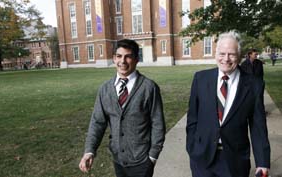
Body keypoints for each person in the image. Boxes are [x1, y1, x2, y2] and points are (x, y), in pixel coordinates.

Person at [186, 31, 270, 177]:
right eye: (222, 53)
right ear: (215, 53)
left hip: (235, 160)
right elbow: (193, 118)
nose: (226, 59)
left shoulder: (254, 85)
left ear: (239, 55)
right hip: (202, 158)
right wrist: (192, 148)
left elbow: (258, 125)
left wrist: (262, 162)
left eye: (231, 54)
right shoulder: (200, 79)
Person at [79, 39, 166, 177]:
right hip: (118, 159)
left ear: (137, 59)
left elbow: (158, 124)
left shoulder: (149, 88)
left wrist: (153, 156)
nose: (123, 61)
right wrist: (89, 150)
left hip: (142, 161)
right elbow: (97, 122)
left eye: (128, 56)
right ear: (114, 58)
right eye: (119, 56)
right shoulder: (105, 89)